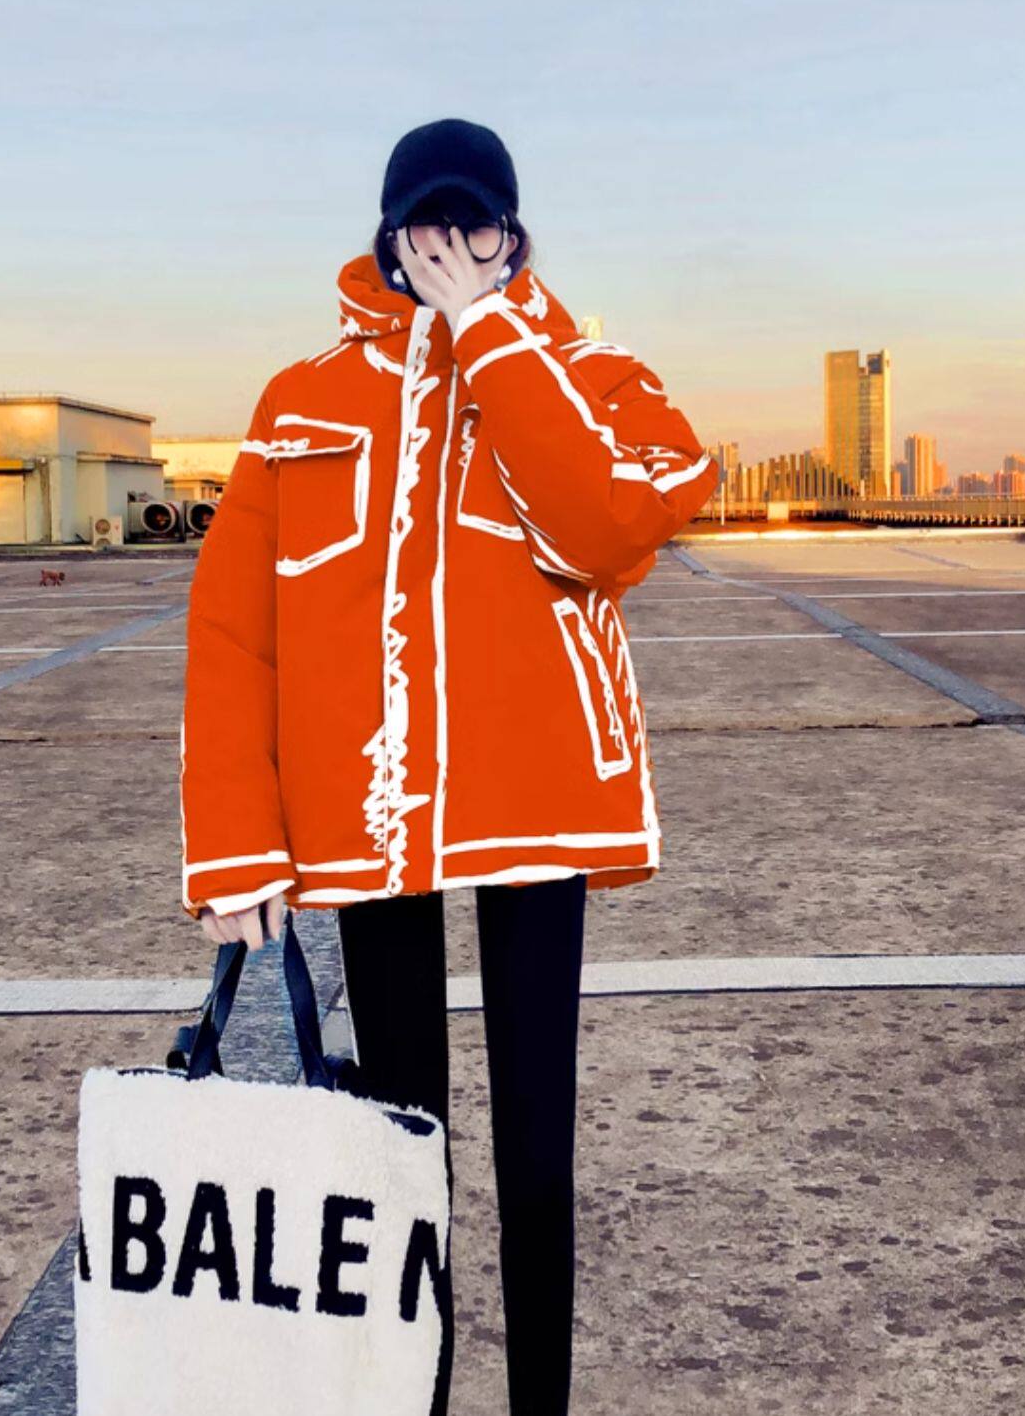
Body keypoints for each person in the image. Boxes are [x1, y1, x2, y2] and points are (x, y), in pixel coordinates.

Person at [180, 117, 719, 1416]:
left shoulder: (592, 373)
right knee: (398, 1150)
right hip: (364, 818)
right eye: (427, 223)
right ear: (386, 237)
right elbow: (235, 624)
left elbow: (607, 528)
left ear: (513, 237)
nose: (449, 246)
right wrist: (238, 842)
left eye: (477, 223)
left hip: (535, 799)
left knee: (537, 1154)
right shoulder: (300, 399)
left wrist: (487, 335)